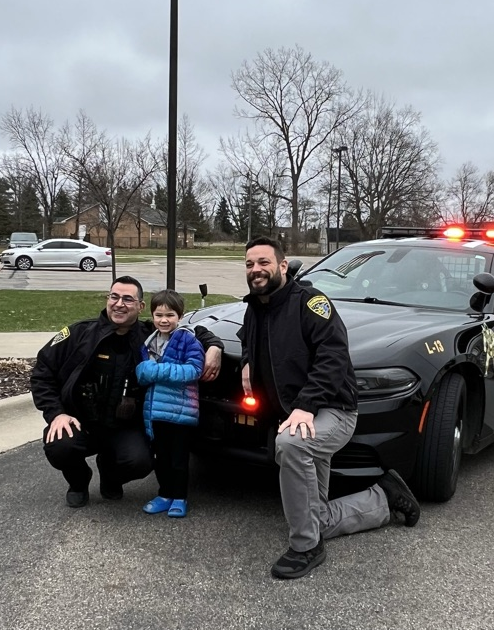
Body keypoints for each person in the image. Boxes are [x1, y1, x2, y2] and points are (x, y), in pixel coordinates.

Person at [239, 236, 421, 580]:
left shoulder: (310, 303)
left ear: (282, 266)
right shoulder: (256, 307)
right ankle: (383, 498)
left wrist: (307, 405)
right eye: (249, 264)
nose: (256, 270)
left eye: (263, 262)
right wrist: (247, 361)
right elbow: (248, 337)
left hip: (332, 410)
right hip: (296, 413)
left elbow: (333, 356)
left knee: (291, 446)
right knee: (313, 511)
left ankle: (306, 547)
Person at [30, 275, 222, 508]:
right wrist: (56, 413)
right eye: (114, 296)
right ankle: (79, 481)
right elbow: (42, 372)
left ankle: (111, 477)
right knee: (59, 445)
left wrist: (214, 347)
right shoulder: (79, 333)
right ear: (107, 299)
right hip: (81, 421)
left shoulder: (150, 335)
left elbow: (194, 331)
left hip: (124, 427)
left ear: (141, 307)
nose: (119, 303)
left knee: (140, 462)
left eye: (128, 299)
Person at [137, 289, 204, 519]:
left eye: (170, 315)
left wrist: (157, 370)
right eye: (159, 315)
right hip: (155, 411)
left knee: (178, 459)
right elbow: (142, 374)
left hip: (180, 411)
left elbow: (194, 369)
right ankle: (164, 494)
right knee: (161, 457)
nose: (164, 320)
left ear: (181, 316)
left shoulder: (188, 339)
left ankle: (179, 497)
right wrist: (147, 371)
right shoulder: (148, 342)